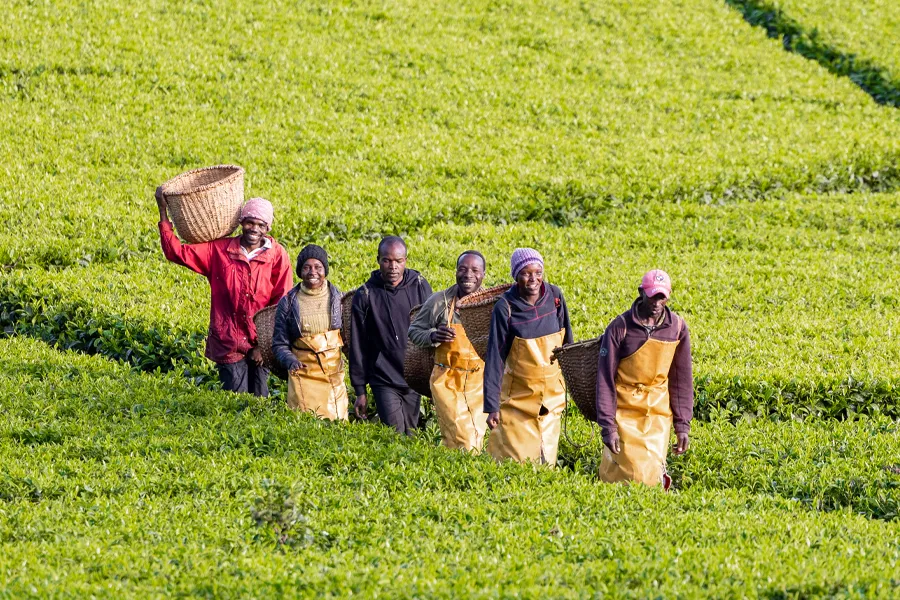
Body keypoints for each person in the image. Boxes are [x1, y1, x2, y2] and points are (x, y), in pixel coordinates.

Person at [156, 190, 292, 397]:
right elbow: (176, 252)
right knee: (235, 400)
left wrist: (265, 346)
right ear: (241, 222)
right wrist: (163, 211)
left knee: (260, 398)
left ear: (267, 228)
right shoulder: (219, 250)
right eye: (249, 222)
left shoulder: (277, 255)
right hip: (228, 341)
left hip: (260, 341)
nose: (254, 229)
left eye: (260, 225)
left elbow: (281, 303)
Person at [595, 270, 693, 489]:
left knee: (650, 476)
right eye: (652, 296)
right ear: (641, 293)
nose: (657, 302)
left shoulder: (677, 328)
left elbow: (681, 379)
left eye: (662, 297)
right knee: (625, 475)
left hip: (657, 412)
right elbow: (605, 379)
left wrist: (682, 424)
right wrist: (608, 426)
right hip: (625, 410)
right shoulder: (619, 327)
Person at [484, 248, 573, 464]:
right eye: (525, 273)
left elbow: (568, 342)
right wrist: (492, 405)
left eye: (538, 272)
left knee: (546, 458)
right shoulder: (505, 307)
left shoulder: (555, 296)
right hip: (519, 398)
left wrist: (574, 386)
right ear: (516, 276)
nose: (533, 279)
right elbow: (495, 356)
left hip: (551, 396)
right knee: (516, 460)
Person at [349, 236, 433, 434]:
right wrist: (360, 389)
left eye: (398, 261)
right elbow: (358, 344)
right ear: (378, 260)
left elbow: (431, 330)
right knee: (395, 433)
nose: (392, 267)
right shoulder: (365, 294)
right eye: (387, 260)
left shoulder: (420, 286)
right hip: (383, 378)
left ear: (405, 261)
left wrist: (432, 380)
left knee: (412, 433)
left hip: (414, 378)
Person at [408, 251, 488, 451]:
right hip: (447, 380)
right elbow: (414, 331)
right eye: (463, 269)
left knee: (475, 435)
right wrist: (433, 336)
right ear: (456, 272)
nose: (468, 274)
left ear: (483, 274)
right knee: (459, 434)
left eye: (475, 270)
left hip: (479, 383)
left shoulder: (491, 305)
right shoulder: (439, 301)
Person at [272, 244, 348, 420]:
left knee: (337, 421)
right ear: (300, 271)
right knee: (306, 422)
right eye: (307, 267)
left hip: (332, 373)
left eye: (318, 267)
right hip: (303, 372)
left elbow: (349, 338)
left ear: (325, 270)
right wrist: (290, 360)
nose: (312, 272)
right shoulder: (288, 303)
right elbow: (279, 343)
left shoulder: (339, 299)